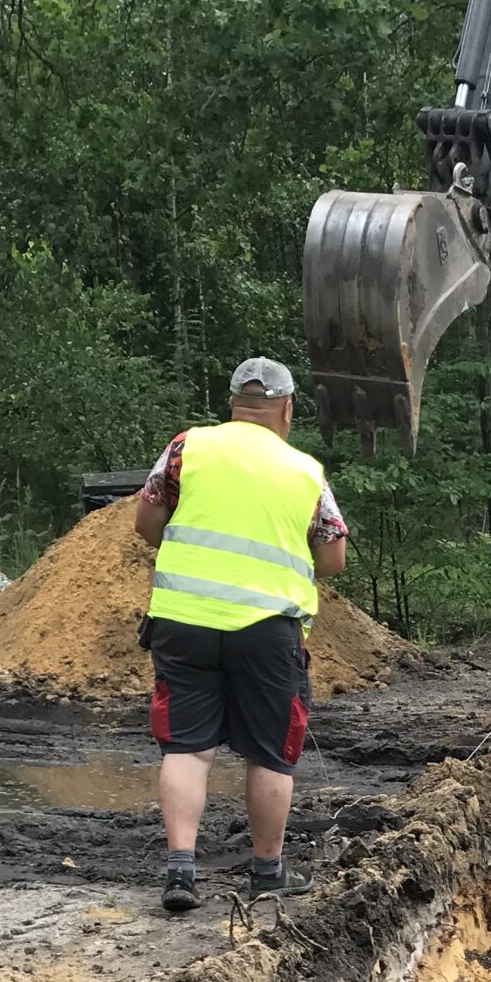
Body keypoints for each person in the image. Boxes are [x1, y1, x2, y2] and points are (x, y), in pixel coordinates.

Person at [134, 357, 349, 915]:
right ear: (287, 409)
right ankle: (267, 873)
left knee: (188, 747)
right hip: (267, 629)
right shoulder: (305, 470)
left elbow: (147, 521)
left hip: (184, 620)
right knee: (271, 754)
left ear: (232, 402)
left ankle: (181, 871)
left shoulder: (188, 447)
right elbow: (333, 557)